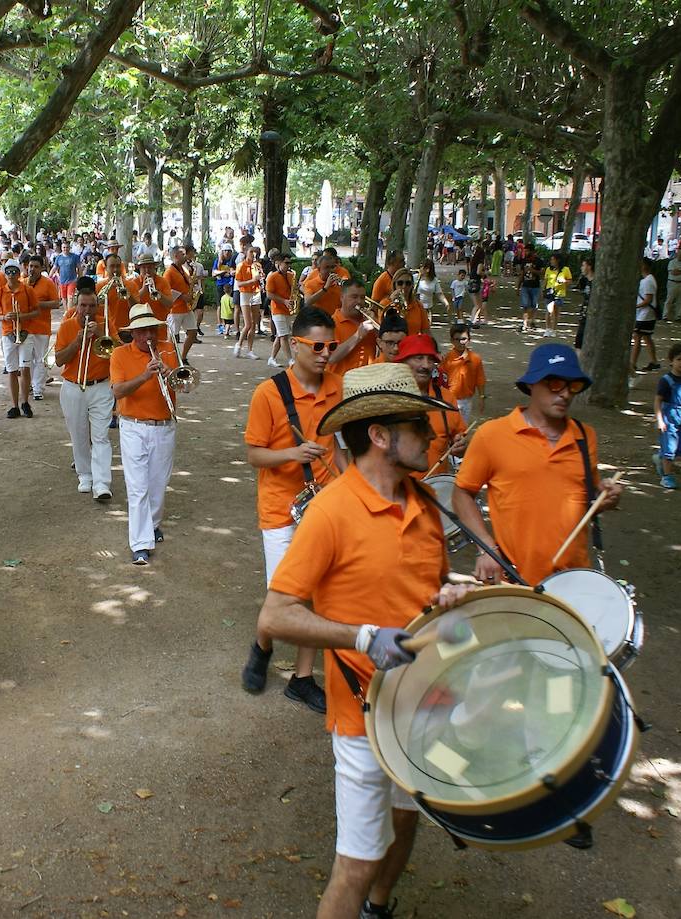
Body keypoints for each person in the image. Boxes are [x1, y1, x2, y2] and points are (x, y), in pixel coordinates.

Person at [258, 361, 473, 919]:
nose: (432, 435)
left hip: (427, 702)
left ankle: (380, 909)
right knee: (354, 863)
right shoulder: (330, 512)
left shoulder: (425, 503)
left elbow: (430, 587)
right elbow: (276, 615)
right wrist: (362, 636)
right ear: (380, 436)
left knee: (406, 818)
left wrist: (450, 596)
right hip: (363, 716)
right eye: (419, 426)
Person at [240, 307, 346, 714]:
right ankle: (262, 645)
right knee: (284, 598)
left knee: (318, 593)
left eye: (331, 346)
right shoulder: (269, 393)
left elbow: (347, 449)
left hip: (326, 506)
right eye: (316, 346)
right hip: (281, 509)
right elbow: (253, 455)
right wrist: (294, 453)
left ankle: (302, 679)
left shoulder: (338, 387)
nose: (325, 353)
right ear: (296, 346)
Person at [453, 344, 624, 587]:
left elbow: (586, 501)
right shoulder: (492, 435)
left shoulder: (585, 437)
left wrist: (604, 499)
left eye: (572, 386)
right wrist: (487, 548)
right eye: (555, 384)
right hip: (515, 581)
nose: (565, 394)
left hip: (574, 579)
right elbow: (461, 493)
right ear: (532, 384)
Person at [110, 304, 182, 565]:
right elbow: (117, 392)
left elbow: (183, 386)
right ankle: (140, 544)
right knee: (137, 486)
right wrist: (145, 375)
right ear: (133, 333)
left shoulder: (169, 349)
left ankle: (152, 524)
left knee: (158, 483)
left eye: (151, 330)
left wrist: (170, 374)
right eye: (141, 332)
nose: (147, 336)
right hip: (133, 426)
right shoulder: (119, 354)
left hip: (164, 425)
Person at [54, 277, 115, 501]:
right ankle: (85, 475)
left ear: (97, 306)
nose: (87, 310)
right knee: (78, 434)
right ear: (76, 306)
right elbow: (59, 360)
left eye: (91, 306)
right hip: (72, 386)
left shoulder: (105, 323)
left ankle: (102, 483)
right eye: (83, 306)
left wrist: (101, 334)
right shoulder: (67, 326)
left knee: (101, 436)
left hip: (100, 386)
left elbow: (118, 352)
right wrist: (76, 343)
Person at [396, 334, 467, 478]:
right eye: (419, 358)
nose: (426, 365)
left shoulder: (447, 398)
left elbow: (460, 438)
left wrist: (462, 445)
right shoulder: (385, 399)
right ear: (402, 362)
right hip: (396, 493)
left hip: (436, 491)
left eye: (430, 359)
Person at [0, 261, 35, 418]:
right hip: (8, 333)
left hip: (25, 331)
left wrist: (21, 316)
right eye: (8, 272)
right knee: (11, 370)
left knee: (25, 368)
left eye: (14, 272)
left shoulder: (27, 290)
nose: (11, 275)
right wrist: (4, 317)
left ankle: (25, 402)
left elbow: (36, 311)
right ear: (5, 274)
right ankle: (14, 405)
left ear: (19, 273)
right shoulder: (0, 292)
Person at [654, 343, 681, 490]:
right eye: (679, 359)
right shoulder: (666, 380)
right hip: (669, 417)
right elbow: (658, 400)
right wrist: (660, 420)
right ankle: (667, 476)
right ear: (671, 361)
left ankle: (660, 459)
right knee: (669, 448)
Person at [21, 255, 58, 399]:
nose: (32, 269)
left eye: (36, 267)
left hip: (42, 327)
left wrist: (37, 304)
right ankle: (29, 385)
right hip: (25, 328)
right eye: (30, 266)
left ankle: (38, 389)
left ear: (41, 268)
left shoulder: (48, 283)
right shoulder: (22, 283)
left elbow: (55, 303)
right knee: (26, 359)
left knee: (40, 359)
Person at [329, 280, 380, 379]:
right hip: (342, 384)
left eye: (362, 297)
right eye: (354, 297)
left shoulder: (368, 320)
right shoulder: (331, 323)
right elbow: (331, 358)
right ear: (342, 298)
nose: (359, 302)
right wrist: (358, 336)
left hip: (369, 381)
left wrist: (375, 323)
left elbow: (387, 346)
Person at [441, 323, 487, 424]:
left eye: (464, 339)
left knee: (462, 427)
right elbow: (440, 380)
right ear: (452, 341)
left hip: (467, 400)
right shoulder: (446, 359)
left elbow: (480, 380)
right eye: (457, 339)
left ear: (469, 339)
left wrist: (482, 397)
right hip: (449, 399)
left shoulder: (475, 359)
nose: (461, 342)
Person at [163, 246, 200, 365]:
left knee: (193, 332)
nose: (186, 256)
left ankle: (183, 357)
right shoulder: (169, 272)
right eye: (183, 254)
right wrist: (182, 296)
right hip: (175, 309)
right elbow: (166, 289)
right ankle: (170, 359)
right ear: (176, 256)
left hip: (186, 308)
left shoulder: (184, 269)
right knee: (172, 337)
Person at [264, 251, 298, 368]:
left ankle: (272, 358)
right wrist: (284, 301)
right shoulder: (272, 276)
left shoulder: (291, 275)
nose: (288, 265)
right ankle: (290, 360)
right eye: (286, 263)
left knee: (280, 335)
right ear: (279, 263)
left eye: (290, 263)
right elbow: (269, 294)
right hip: (277, 309)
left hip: (287, 309)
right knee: (284, 336)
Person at [233, 246, 263, 359]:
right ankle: (239, 344)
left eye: (255, 252)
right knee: (248, 324)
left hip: (256, 293)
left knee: (254, 323)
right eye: (251, 252)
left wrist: (260, 279)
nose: (253, 254)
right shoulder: (240, 266)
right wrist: (252, 281)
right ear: (246, 253)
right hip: (245, 294)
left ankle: (250, 350)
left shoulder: (257, 265)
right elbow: (239, 284)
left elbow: (259, 279)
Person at [632, 258, 661, 372]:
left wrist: (635, 307)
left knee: (637, 337)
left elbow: (648, 299)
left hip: (644, 315)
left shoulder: (648, 281)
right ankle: (654, 361)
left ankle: (633, 363)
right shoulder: (648, 280)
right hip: (645, 315)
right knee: (646, 337)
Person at [542, 253, 572, 336]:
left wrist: (564, 281)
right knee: (549, 310)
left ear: (558, 260)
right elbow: (546, 280)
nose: (551, 261)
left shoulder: (565, 269)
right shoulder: (548, 269)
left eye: (553, 259)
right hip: (549, 292)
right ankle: (547, 329)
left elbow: (570, 281)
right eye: (551, 260)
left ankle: (554, 329)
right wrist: (543, 290)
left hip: (560, 293)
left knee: (556, 312)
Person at [573, 258, 594, 351]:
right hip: (584, 315)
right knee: (579, 343)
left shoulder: (596, 283)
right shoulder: (585, 281)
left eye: (583, 265)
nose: (581, 268)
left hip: (591, 317)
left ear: (589, 267)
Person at [663, 251, 681, 321]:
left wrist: (679, 270)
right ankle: (665, 315)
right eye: (680, 255)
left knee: (680, 300)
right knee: (669, 299)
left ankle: (678, 316)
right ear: (677, 255)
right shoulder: (672, 262)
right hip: (672, 283)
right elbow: (673, 272)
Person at [518, 248, 542, 333]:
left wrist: (533, 271)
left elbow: (542, 273)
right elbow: (521, 274)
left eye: (528, 251)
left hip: (535, 286)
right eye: (526, 251)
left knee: (534, 305)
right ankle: (525, 323)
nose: (526, 252)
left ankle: (532, 321)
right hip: (525, 285)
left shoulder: (538, 261)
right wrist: (518, 286)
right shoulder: (524, 261)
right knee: (525, 305)